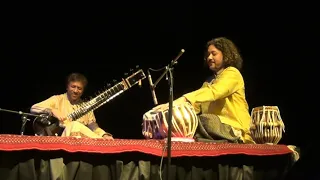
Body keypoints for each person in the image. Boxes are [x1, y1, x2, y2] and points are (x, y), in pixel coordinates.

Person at [154, 37, 255, 144]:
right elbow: (195, 105)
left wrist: (183, 99)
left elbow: (214, 92)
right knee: (190, 121)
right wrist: (171, 110)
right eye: (208, 55)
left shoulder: (232, 74)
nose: (209, 57)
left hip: (233, 129)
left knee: (205, 121)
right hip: (214, 129)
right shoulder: (208, 82)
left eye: (214, 53)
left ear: (226, 55)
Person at [30, 72, 113, 139]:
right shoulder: (57, 99)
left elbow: (93, 126)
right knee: (74, 125)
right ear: (67, 87)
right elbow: (34, 108)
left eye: (79, 88)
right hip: (58, 140)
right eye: (73, 87)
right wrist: (52, 111)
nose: (76, 91)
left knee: (75, 125)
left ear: (83, 91)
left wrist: (103, 134)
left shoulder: (86, 107)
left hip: (80, 142)